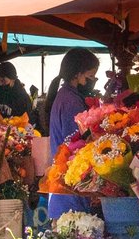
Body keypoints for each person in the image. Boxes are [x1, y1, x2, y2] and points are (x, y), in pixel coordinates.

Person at [42, 48, 100, 221]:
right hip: (69, 189)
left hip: (63, 190)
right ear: (77, 74)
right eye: (91, 76)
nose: (93, 80)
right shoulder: (70, 101)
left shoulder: (65, 96)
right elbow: (76, 143)